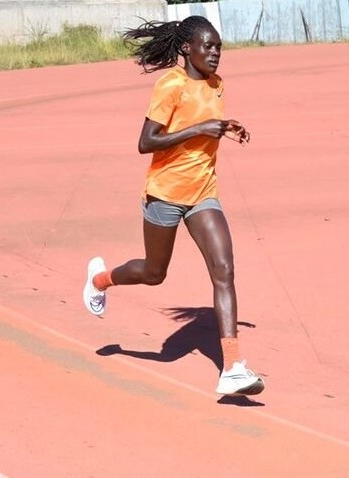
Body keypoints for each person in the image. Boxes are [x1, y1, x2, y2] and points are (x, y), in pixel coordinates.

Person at [82, 15, 264, 396]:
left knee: (224, 269)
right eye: (208, 46)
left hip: (203, 193)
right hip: (164, 194)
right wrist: (199, 129)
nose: (215, 53)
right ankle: (100, 280)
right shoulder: (171, 85)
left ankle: (232, 367)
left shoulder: (216, 85)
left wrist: (225, 126)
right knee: (154, 272)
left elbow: (203, 124)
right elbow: (146, 142)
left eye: (219, 47)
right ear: (187, 48)